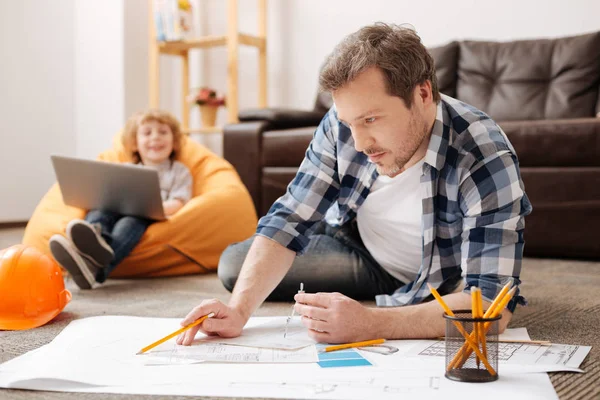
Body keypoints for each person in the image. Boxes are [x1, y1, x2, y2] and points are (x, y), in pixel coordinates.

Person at [177, 23, 532, 346]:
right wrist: (238, 311)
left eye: (371, 119)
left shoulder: (483, 154)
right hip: (352, 240)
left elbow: (490, 306)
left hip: (424, 274)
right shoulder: (341, 124)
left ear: (423, 94)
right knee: (235, 265)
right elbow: (289, 218)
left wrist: (373, 323)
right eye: (349, 123)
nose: (360, 143)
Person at [50, 109, 193, 290]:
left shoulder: (179, 171)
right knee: (99, 211)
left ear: (174, 143)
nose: (155, 137)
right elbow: (109, 193)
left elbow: (180, 201)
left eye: (163, 132)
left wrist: (157, 208)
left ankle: (95, 265)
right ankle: (93, 239)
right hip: (116, 209)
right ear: (135, 143)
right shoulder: (126, 168)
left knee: (130, 223)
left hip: (144, 216)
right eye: (147, 133)